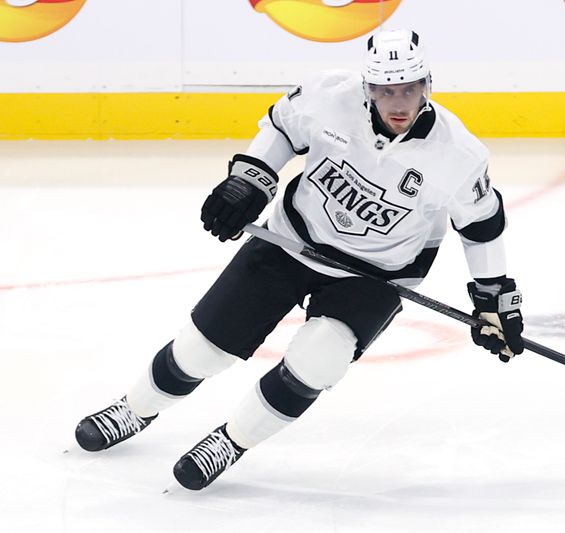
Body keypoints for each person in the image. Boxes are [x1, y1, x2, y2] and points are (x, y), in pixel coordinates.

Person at [74, 29, 525, 491]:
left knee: (319, 359)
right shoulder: (330, 95)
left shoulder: (458, 154)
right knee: (201, 350)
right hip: (291, 239)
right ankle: (134, 409)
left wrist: (494, 298)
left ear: (428, 85)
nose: (399, 103)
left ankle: (231, 441)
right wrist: (249, 181)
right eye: (386, 90)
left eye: (409, 89)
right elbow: (282, 128)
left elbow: (481, 226)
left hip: (376, 275)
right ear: (367, 87)